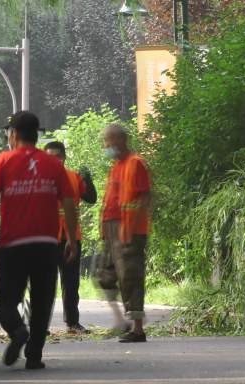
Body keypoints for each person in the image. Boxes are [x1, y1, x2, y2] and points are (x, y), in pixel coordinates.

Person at [0, 111, 78, 370]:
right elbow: (68, 204)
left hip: (14, 244)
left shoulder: (2, 161)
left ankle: (18, 330)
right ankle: (34, 356)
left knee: (5, 300)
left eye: (8, 132)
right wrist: (72, 240)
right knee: (43, 301)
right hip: (46, 244)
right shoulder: (54, 165)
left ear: (14, 133)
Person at [97, 123, 151, 343]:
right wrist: (104, 227)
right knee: (105, 276)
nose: (106, 146)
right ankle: (121, 321)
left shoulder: (135, 163)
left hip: (129, 229)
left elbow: (145, 197)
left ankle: (137, 328)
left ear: (120, 140)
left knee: (131, 277)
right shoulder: (116, 166)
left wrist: (130, 229)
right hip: (112, 228)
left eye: (108, 141)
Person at [44, 141, 97, 334]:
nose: (54, 160)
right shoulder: (39, 180)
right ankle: (41, 325)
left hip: (71, 237)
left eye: (57, 156)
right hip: (47, 237)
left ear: (64, 157)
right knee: (44, 283)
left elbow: (91, 198)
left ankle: (73, 322)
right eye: (50, 156)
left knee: (71, 282)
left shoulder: (74, 177)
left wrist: (88, 180)